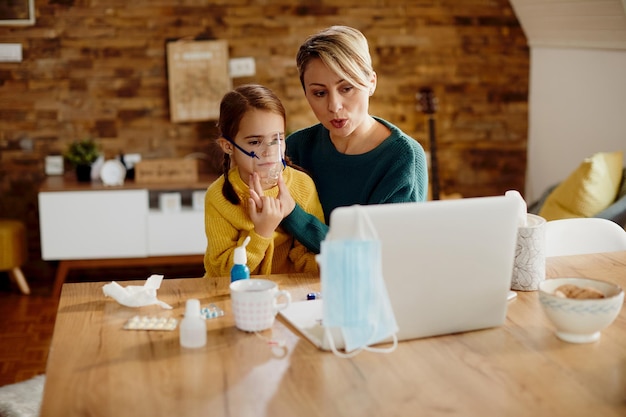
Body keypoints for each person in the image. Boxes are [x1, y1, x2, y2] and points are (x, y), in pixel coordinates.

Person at [275, 25, 428, 254]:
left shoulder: (402, 158)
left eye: (346, 88)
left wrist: (293, 214)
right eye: (319, 93)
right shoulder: (296, 148)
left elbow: (375, 252)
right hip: (297, 285)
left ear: (371, 83)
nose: (334, 106)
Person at [203, 84, 324, 278]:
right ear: (228, 146)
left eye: (277, 139)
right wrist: (261, 232)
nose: (268, 152)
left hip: (285, 291)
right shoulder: (218, 197)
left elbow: (307, 257)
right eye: (254, 142)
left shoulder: (302, 186)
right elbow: (223, 273)